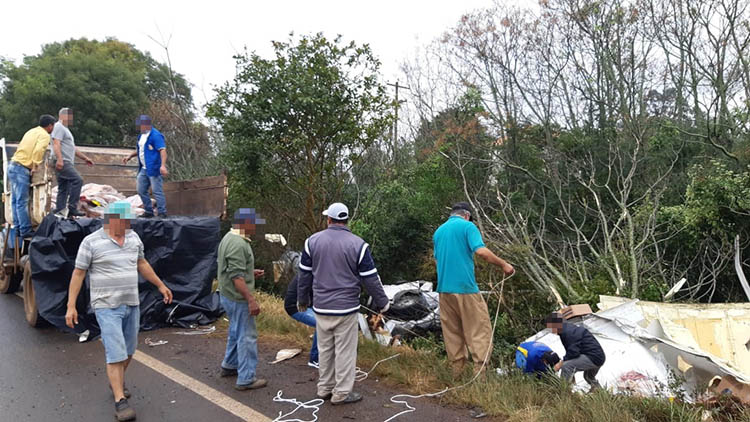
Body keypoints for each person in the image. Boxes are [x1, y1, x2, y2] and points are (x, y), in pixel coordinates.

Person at [65, 201, 173, 421]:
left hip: (131, 303)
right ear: (111, 220)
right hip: (106, 305)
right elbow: (78, 274)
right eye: (124, 221)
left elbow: (141, 263)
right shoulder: (91, 242)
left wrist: (160, 285)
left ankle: (116, 379)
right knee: (115, 352)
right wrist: (71, 305)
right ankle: (120, 400)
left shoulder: (133, 238)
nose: (127, 225)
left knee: (129, 350)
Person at [297, 202, 390, 406]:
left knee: (325, 349)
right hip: (346, 308)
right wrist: (383, 304)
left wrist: (302, 299)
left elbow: (303, 274)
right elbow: (370, 279)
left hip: (321, 307)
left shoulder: (312, 241)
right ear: (347, 220)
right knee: (345, 352)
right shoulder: (358, 244)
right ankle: (341, 393)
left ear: (329, 220)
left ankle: (324, 388)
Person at [433, 202, 515, 377]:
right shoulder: (468, 226)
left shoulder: (438, 232)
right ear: (467, 215)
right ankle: (480, 377)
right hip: (465, 289)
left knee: (453, 334)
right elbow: (481, 252)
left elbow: (437, 261)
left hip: (444, 290)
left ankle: (457, 374)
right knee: (479, 331)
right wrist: (504, 265)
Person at [217, 208, 268, 391]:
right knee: (247, 336)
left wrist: (250, 273)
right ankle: (246, 378)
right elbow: (236, 277)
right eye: (253, 224)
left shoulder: (229, 238)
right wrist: (251, 300)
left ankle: (229, 365)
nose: (254, 228)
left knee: (235, 331)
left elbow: (232, 270)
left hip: (227, 295)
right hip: (237, 298)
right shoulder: (238, 244)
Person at [8, 115, 56, 239]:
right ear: (50, 125)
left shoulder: (31, 131)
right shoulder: (45, 135)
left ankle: (18, 228)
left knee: (15, 201)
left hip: (13, 166)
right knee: (22, 201)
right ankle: (25, 230)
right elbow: (39, 150)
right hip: (22, 168)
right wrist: (35, 165)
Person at [50, 108, 94, 217]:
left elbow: (72, 148)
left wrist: (84, 158)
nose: (71, 118)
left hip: (65, 160)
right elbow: (56, 144)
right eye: (69, 116)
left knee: (63, 187)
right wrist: (60, 159)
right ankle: (72, 207)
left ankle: (60, 209)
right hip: (62, 160)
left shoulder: (65, 129)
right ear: (63, 116)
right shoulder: (59, 127)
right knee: (77, 180)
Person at [545, 312, 606, 390]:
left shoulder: (567, 332)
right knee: (588, 377)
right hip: (599, 356)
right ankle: (599, 391)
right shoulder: (567, 329)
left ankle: (562, 392)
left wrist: (559, 365)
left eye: (550, 327)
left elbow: (573, 353)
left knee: (566, 366)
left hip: (593, 357)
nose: (551, 330)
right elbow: (572, 353)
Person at [122, 115, 168, 218]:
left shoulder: (156, 135)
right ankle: (148, 211)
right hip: (143, 168)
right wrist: (130, 156)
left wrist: (163, 166)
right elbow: (140, 150)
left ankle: (162, 212)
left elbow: (162, 150)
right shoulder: (141, 136)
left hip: (154, 168)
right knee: (141, 190)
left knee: (157, 191)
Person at [284, 273, 318, 367]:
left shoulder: (317, 271)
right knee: (322, 324)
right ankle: (315, 359)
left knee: (328, 320)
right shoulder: (310, 273)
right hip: (296, 307)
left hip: (308, 305)